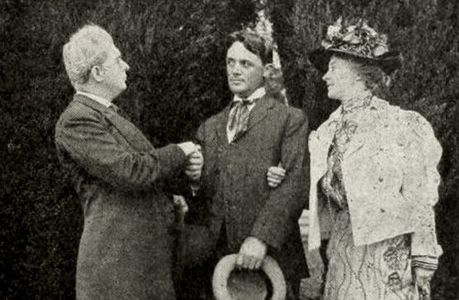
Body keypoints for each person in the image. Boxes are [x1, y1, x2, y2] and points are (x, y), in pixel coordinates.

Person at [269, 18, 443, 299]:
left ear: (360, 73)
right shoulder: (325, 132)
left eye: (333, 68)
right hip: (343, 250)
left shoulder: (400, 125)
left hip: (389, 256)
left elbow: (419, 194)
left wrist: (424, 256)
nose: (325, 76)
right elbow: (313, 186)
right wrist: (280, 175)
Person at [55, 24, 201, 299]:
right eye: (118, 59)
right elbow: (130, 171)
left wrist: (176, 191)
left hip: (139, 267)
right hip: (117, 272)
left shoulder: (108, 115)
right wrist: (181, 152)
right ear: (97, 73)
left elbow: (144, 172)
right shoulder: (77, 120)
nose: (127, 66)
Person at [187, 29, 309, 299]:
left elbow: (294, 185)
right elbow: (202, 195)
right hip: (216, 266)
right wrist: (194, 180)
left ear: (266, 70)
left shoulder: (290, 120)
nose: (235, 71)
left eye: (246, 64)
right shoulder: (210, 127)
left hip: (270, 263)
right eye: (230, 62)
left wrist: (261, 238)